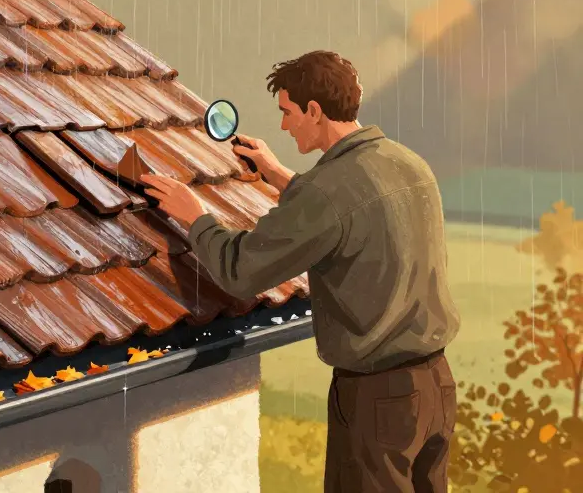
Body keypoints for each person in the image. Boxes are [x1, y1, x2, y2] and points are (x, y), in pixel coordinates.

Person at [141, 50, 462, 493]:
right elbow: (355, 214)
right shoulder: (409, 164)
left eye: (288, 112)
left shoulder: (326, 192)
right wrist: (279, 176)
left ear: (314, 110)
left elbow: (240, 271)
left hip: (378, 400)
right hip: (437, 388)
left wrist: (195, 216)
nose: (283, 126)